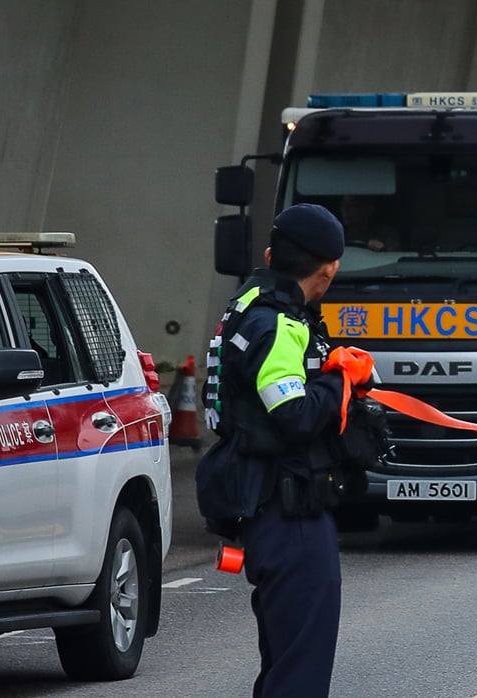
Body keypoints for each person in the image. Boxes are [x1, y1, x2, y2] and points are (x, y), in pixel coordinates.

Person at [196, 203, 371, 696]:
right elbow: (292, 414)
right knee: (300, 670)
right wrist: (342, 381)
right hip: (286, 507)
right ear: (330, 268)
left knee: (284, 663)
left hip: (265, 501)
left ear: (272, 254)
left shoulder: (249, 302)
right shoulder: (279, 325)